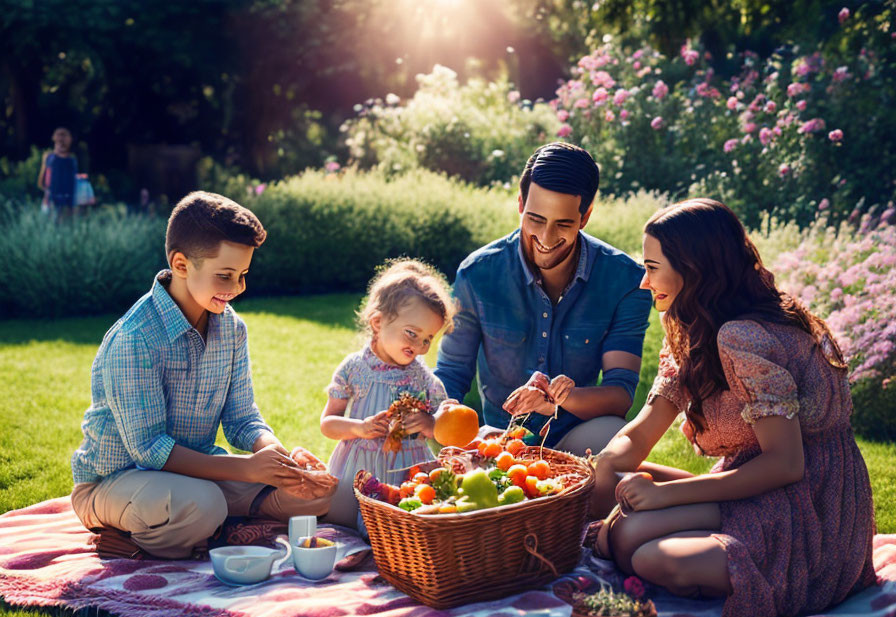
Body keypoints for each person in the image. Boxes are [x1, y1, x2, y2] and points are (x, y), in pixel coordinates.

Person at [588, 198, 876, 617]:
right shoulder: (691, 326)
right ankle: (688, 544)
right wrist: (604, 466)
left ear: (694, 268)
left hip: (810, 505)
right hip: (750, 487)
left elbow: (787, 464)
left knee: (639, 549)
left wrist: (664, 497)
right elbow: (646, 425)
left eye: (652, 268)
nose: (645, 283)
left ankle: (734, 564)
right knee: (614, 504)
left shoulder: (744, 337)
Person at [70, 191, 338, 559]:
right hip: (117, 480)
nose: (237, 288)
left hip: (198, 474)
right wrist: (248, 470)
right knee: (205, 505)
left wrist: (277, 457)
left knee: (316, 493)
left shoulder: (232, 329)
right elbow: (150, 450)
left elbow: (242, 417)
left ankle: (220, 528)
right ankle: (125, 539)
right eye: (225, 275)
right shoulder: (135, 339)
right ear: (181, 265)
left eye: (243, 275)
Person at [435, 142, 652, 458]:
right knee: (437, 436)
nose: (547, 239)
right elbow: (451, 374)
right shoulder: (477, 274)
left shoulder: (626, 281)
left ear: (586, 216)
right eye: (535, 219)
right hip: (498, 439)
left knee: (614, 436)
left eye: (563, 224)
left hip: (577, 438)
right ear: (520, 204)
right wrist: (450, 421)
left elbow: (620, 394)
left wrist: (557, 399)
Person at [321, 259, 455, 528]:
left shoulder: (424, 379)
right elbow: (328, 424)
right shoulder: (355, 368)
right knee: (337, 517)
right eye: (412, 333)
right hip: (357, 467)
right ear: (378, 322)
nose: (420, 345)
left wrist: (430, 424)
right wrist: (359, 427)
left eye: (428, 338)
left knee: (406, 520)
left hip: (406, 471)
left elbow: (446, 431)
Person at [37, 127, 78, 217]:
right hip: (51, 201)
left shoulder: (71, 160)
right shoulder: (50, 158)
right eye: (60, 136)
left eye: (64, 137)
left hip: (67, 203)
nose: (62, 140)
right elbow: (41, 182)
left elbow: (74, 184)